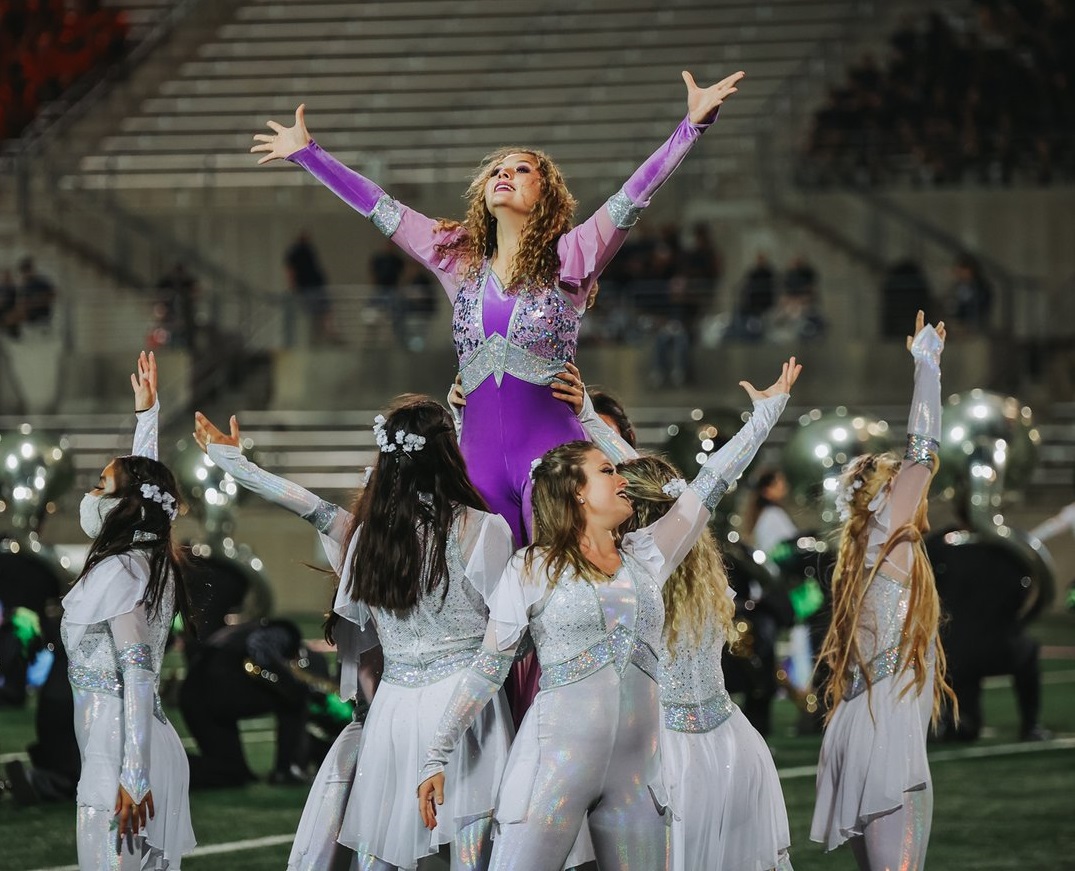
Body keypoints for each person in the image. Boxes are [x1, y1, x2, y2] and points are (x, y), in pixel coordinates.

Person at [251, 69, 745, 547]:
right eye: (497, 169)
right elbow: (382, 208)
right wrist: (308, 155)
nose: (504, 172)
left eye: (522, 169)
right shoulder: (458, 259)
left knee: (556, 588)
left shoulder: (572, 255)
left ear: (546, 195)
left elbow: (635, 194)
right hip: (477, 463)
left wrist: (691, 127)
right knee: (489, 606)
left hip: (555, 461)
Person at [417, 359, 799, 870]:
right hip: (552, 771)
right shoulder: (531, 567)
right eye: (607, 471)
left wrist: (766, 416)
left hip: (638, 782)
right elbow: (489, 668)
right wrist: (435, 755)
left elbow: (712, 482)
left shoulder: (648, 554)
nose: (623, 479)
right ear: (577, 491)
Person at [194, 396, 516, 870]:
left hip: (393, 711)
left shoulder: (367, 538)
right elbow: (509, 632)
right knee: (473, 856)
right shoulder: (483, 529)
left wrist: (234, 464)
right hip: (468, 705)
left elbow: (310, 507)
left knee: (385, 855)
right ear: (448, 454)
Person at [810, 312, 957, 870]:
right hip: (883, 735)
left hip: (860, 723)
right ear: (887, 493)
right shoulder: (886, 533)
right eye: (905, 485)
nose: (919, 491)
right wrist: (928, 366)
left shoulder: (864, 547)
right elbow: (923, 449)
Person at [61, 351, 196, 869]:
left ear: (123, 509)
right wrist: (147, 419)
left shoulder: (120, 572)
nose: (91, 496)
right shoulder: (149, 560)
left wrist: (132, 773)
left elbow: (137, 673)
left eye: (100, 488)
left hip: (118, 753)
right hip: (136, 745)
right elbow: (146, 488)